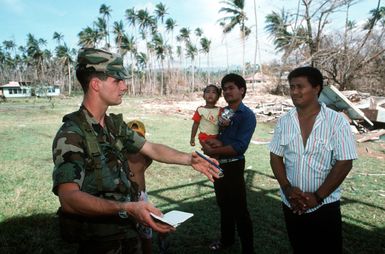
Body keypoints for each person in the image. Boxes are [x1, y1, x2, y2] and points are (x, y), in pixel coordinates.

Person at [52, 48, 222, 254]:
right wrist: (125, 207)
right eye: (117, 80)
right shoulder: (72, 134)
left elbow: (151, 148)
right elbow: (69, 198)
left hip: (129, 233)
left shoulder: (114, 126)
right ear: (96, 84)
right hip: (100, 241)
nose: (124, 86)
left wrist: (189, 159)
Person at [269, 66, 358, 254]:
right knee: (299, 247)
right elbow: (275, 156)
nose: (294, 92)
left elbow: (345, 162)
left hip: (325, 205)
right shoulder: (285, 121)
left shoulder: (336, 121)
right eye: (292, 87)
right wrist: (287, 189)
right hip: (291, 202)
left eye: (300, 86)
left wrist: (317, 197)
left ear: (316, 88)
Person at [201, 73, 256, 254]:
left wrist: (213, 151)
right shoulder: (221, 112)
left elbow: (240, 147)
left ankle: (248, 248)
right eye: (224, 89)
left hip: (234, 165)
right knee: (223, 205)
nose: (226, 92)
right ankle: (226, 240)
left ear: (242, 90)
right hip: (218, 165)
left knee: (240, 209)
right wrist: (210, 143)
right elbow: (214, 135)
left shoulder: (247, 115)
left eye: (231, 88)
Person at [126, 120, 153, 254]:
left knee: (146, 230)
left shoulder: (145, 156)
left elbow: (148, 162)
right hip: (126, 197)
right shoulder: (121, 155)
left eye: (139, 137)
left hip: (141, 196)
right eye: (132, 137)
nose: (135, 141)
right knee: (128, 230)